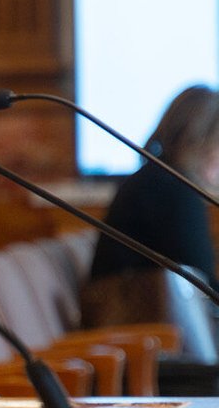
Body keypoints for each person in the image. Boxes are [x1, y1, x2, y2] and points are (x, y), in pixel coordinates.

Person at [89, 84, 219, 286]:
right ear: (201, 141)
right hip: (140, 316)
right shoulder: (173, 191)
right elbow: (204, 286)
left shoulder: (155, 179)